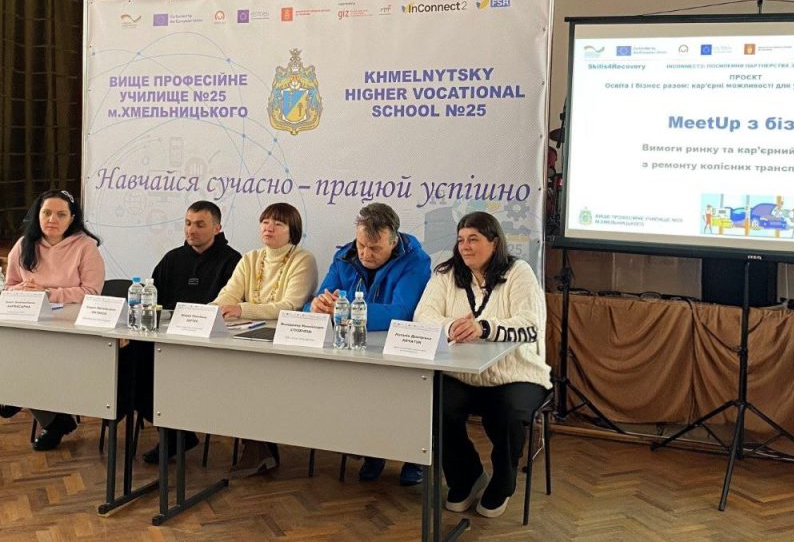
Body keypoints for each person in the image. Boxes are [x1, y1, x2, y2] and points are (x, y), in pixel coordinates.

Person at [413, 211, 551, 518]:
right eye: (461, 240)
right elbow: (422, 316)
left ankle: (503, 481)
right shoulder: (446, 274)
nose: (465, 246)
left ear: (494, 242)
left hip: (515, 373)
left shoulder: (519, 272)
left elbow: (530, 325)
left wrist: (484, 327)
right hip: (461, 374)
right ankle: (467, 476)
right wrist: (451, 326)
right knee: (436, 406)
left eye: (473, 239)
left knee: (507, 412)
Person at [307, 202, 431, 486]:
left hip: (402, 349)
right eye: (361, 245)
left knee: (406, 393)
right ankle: (373, 451)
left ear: (394, 242)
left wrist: (346, 310)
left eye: (375, 248)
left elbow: (402, 311)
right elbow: (315, 301)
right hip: (356, 347)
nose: (365, 254)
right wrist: (316, 307)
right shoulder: (344, 256)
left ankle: (414, 457)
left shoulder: (416, 261)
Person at [131, 200, 242, 465]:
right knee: (131, 366)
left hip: (209, 344)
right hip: (167, 339)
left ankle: (178, 432)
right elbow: (154, 302)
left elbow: (231, 309)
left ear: (217, 228)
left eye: (200, 225)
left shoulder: (233, 261)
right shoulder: (172, 259)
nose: (191, 230)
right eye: (188, 223)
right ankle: (175, 433)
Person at [212, 202, 318, 477]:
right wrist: (210, 312)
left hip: (285, 340)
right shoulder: (251, 258)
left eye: (278, 224)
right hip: (247, 336)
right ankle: (258, 448)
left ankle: (258, 448)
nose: (269, 228)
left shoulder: (303, 259)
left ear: (293, 231)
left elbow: (291, 305)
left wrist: (241, 309)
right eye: (265, 222)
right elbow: (228, 295)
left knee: (253, 380)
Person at [1, 189, 105, 450]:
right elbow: (8, 287)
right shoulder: (24, 244)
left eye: (60, 214)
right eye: (46, 213)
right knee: (9, 350)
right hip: (29, 320)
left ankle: (24, 399)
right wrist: (23, 290)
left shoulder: (85, 247)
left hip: (69, 325)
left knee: (32, 360)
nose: (52, 219)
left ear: (72, 218)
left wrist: (47, 293)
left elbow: (92, 292)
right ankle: (54, 419)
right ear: (37, 215)